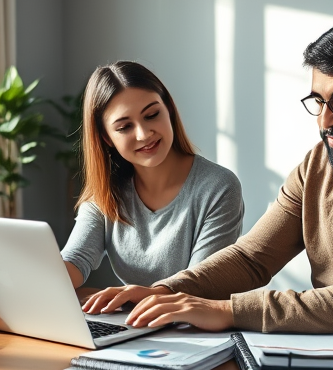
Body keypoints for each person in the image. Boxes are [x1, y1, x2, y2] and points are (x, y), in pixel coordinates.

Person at [82, 18, 333, 336]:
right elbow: (252, 258)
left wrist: (229, 310)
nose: (326, 121)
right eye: (318, 101)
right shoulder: (317, 166)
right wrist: (164, 291)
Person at [61, 61, 244, 290]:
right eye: (124, 127)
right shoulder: (105, 194)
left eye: (152, 115)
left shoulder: (219, 187)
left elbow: (200, 285)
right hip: (133, 313)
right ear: (107, 138)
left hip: (192, 314)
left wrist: (139, 295)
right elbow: (75, 260)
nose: (144, 134)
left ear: (168, 110)